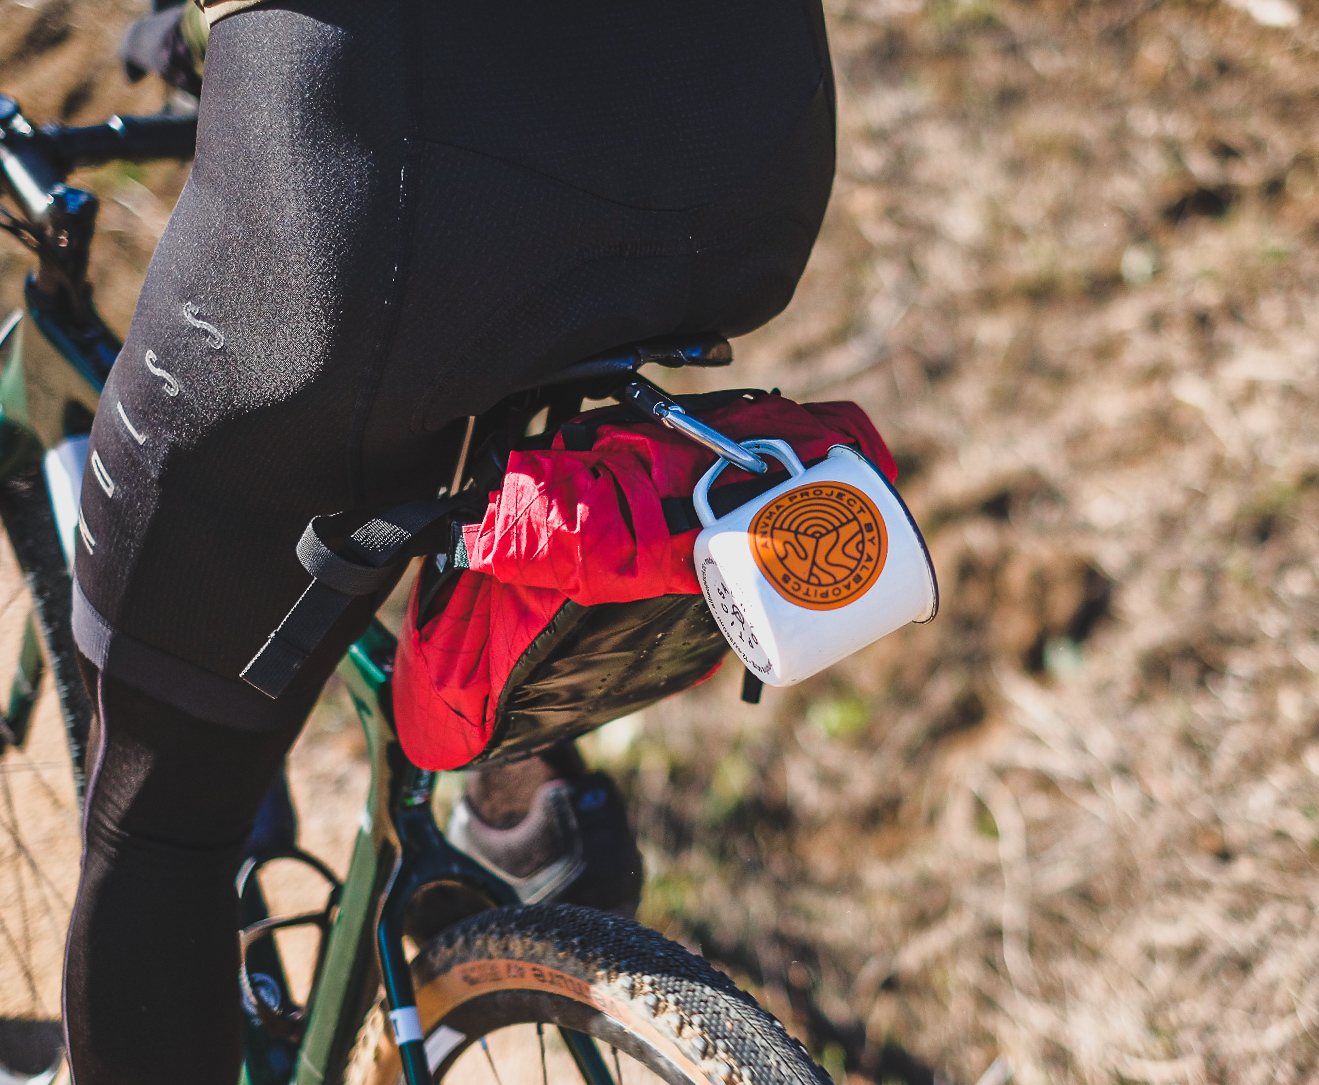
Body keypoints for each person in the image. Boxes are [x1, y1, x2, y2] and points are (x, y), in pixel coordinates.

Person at [67, 2, 836, 1082]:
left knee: (158, 824)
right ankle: (521, 804)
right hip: (743, 159)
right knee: (504, 371)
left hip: (389, 190)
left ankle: (508, 814)